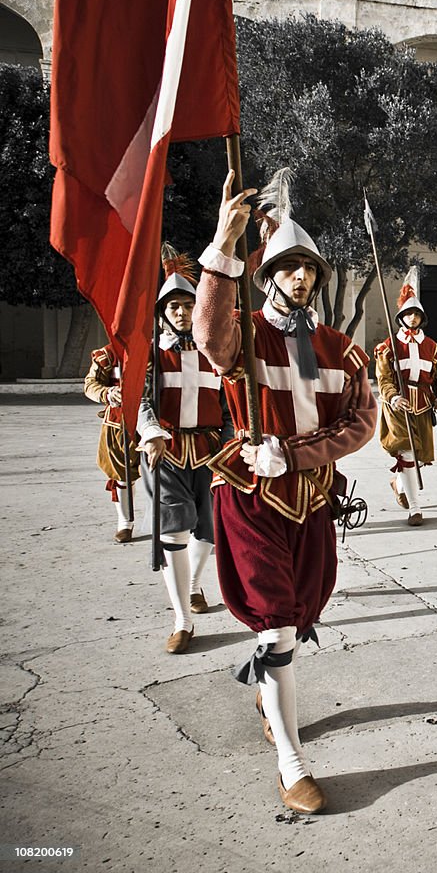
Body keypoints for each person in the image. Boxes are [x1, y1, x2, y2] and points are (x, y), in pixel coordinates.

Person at [193, 173, 377, 815]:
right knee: (277, 624)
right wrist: (223, 244)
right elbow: (208, 338)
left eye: (309, 269)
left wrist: (295, 453)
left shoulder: (340, 349)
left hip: (310, 497)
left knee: (298, 619)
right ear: (268, 273)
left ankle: (266, 682)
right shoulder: (242, 333)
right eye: (289, 267)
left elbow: (360, 424)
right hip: (248, 496)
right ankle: (291, 762)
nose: (300, 278)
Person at [136, 247, 232, 654]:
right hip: (168, 451)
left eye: (188, 305)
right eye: (173, 306)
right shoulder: (151, 355)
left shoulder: (215, 354)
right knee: (175, 528)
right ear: (162, 313)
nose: (181, 312)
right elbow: (138, 401)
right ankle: (182, 621)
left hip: (211, 452)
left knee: (209, 528)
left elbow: (230, 405)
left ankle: (194, 586)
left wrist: (232, 444)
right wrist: (151, 431)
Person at [375, 267, 437, 526]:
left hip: (423, 406)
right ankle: (415, 508)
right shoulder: (387, 348)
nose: (413, 318)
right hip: (397, 407)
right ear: (400, 317)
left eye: (417, 314)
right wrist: (393, 397)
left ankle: (399, 484)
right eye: (408, 314)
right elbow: (383, 379)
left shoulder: (435, 348)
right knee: (406, 454)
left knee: (418, 457)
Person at [83, 344, 140, 542]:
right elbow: (90, 384)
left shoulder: (166, 346)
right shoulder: (108, 354)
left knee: (170, 476)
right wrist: (107, 393)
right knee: (121, 473)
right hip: (119, 423)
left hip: (166, 421)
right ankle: (125, 522)